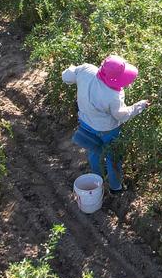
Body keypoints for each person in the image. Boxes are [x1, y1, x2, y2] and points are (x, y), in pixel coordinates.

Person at [63, 55, 149, 194]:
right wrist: (140, 106)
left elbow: (67, 77)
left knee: (94, 150)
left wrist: (73, 70)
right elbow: (121, 115)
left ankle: (98, 179)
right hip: (108, 130)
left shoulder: (86, 70)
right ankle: (115, 187)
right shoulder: (112, 96)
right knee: (113, 157)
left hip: (86, 124)